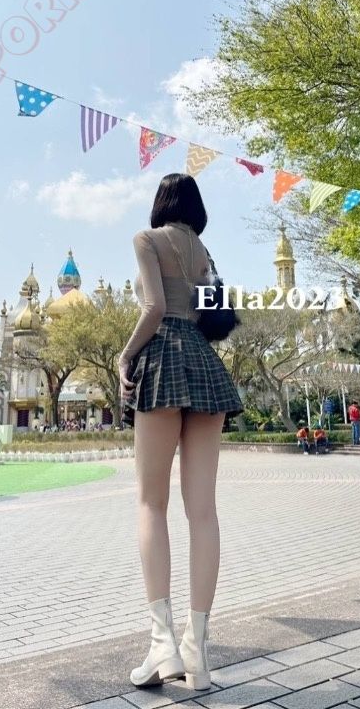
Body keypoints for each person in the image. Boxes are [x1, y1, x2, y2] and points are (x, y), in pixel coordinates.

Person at [118, 172, 244, 691]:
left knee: (151, 503)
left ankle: (162, 644)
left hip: (163, 360)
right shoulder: (204, 252)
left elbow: (153, 308)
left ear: (160, 203)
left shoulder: (146, 239)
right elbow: (211, 317)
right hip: (204, 362)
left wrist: (124, 356)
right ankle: (197, 650)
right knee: (204, 512)